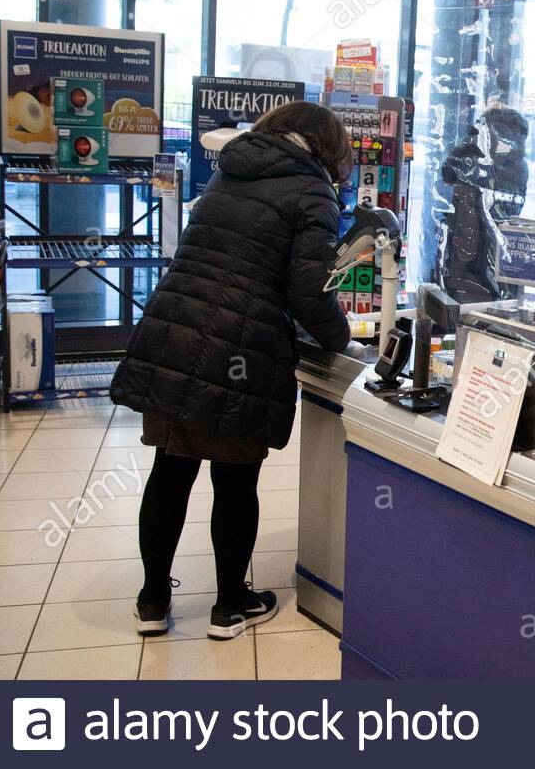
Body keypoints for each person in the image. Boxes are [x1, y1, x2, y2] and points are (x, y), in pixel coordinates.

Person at [110, 101, 353, 640]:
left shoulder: (229, 173)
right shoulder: (312, 192)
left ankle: (153, 601)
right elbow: (310, 294)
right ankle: (230, 606)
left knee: (169, 474)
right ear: (330, 149)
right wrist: (343, 340)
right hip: (237, 353)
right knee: (235, 482)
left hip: (173, 333)